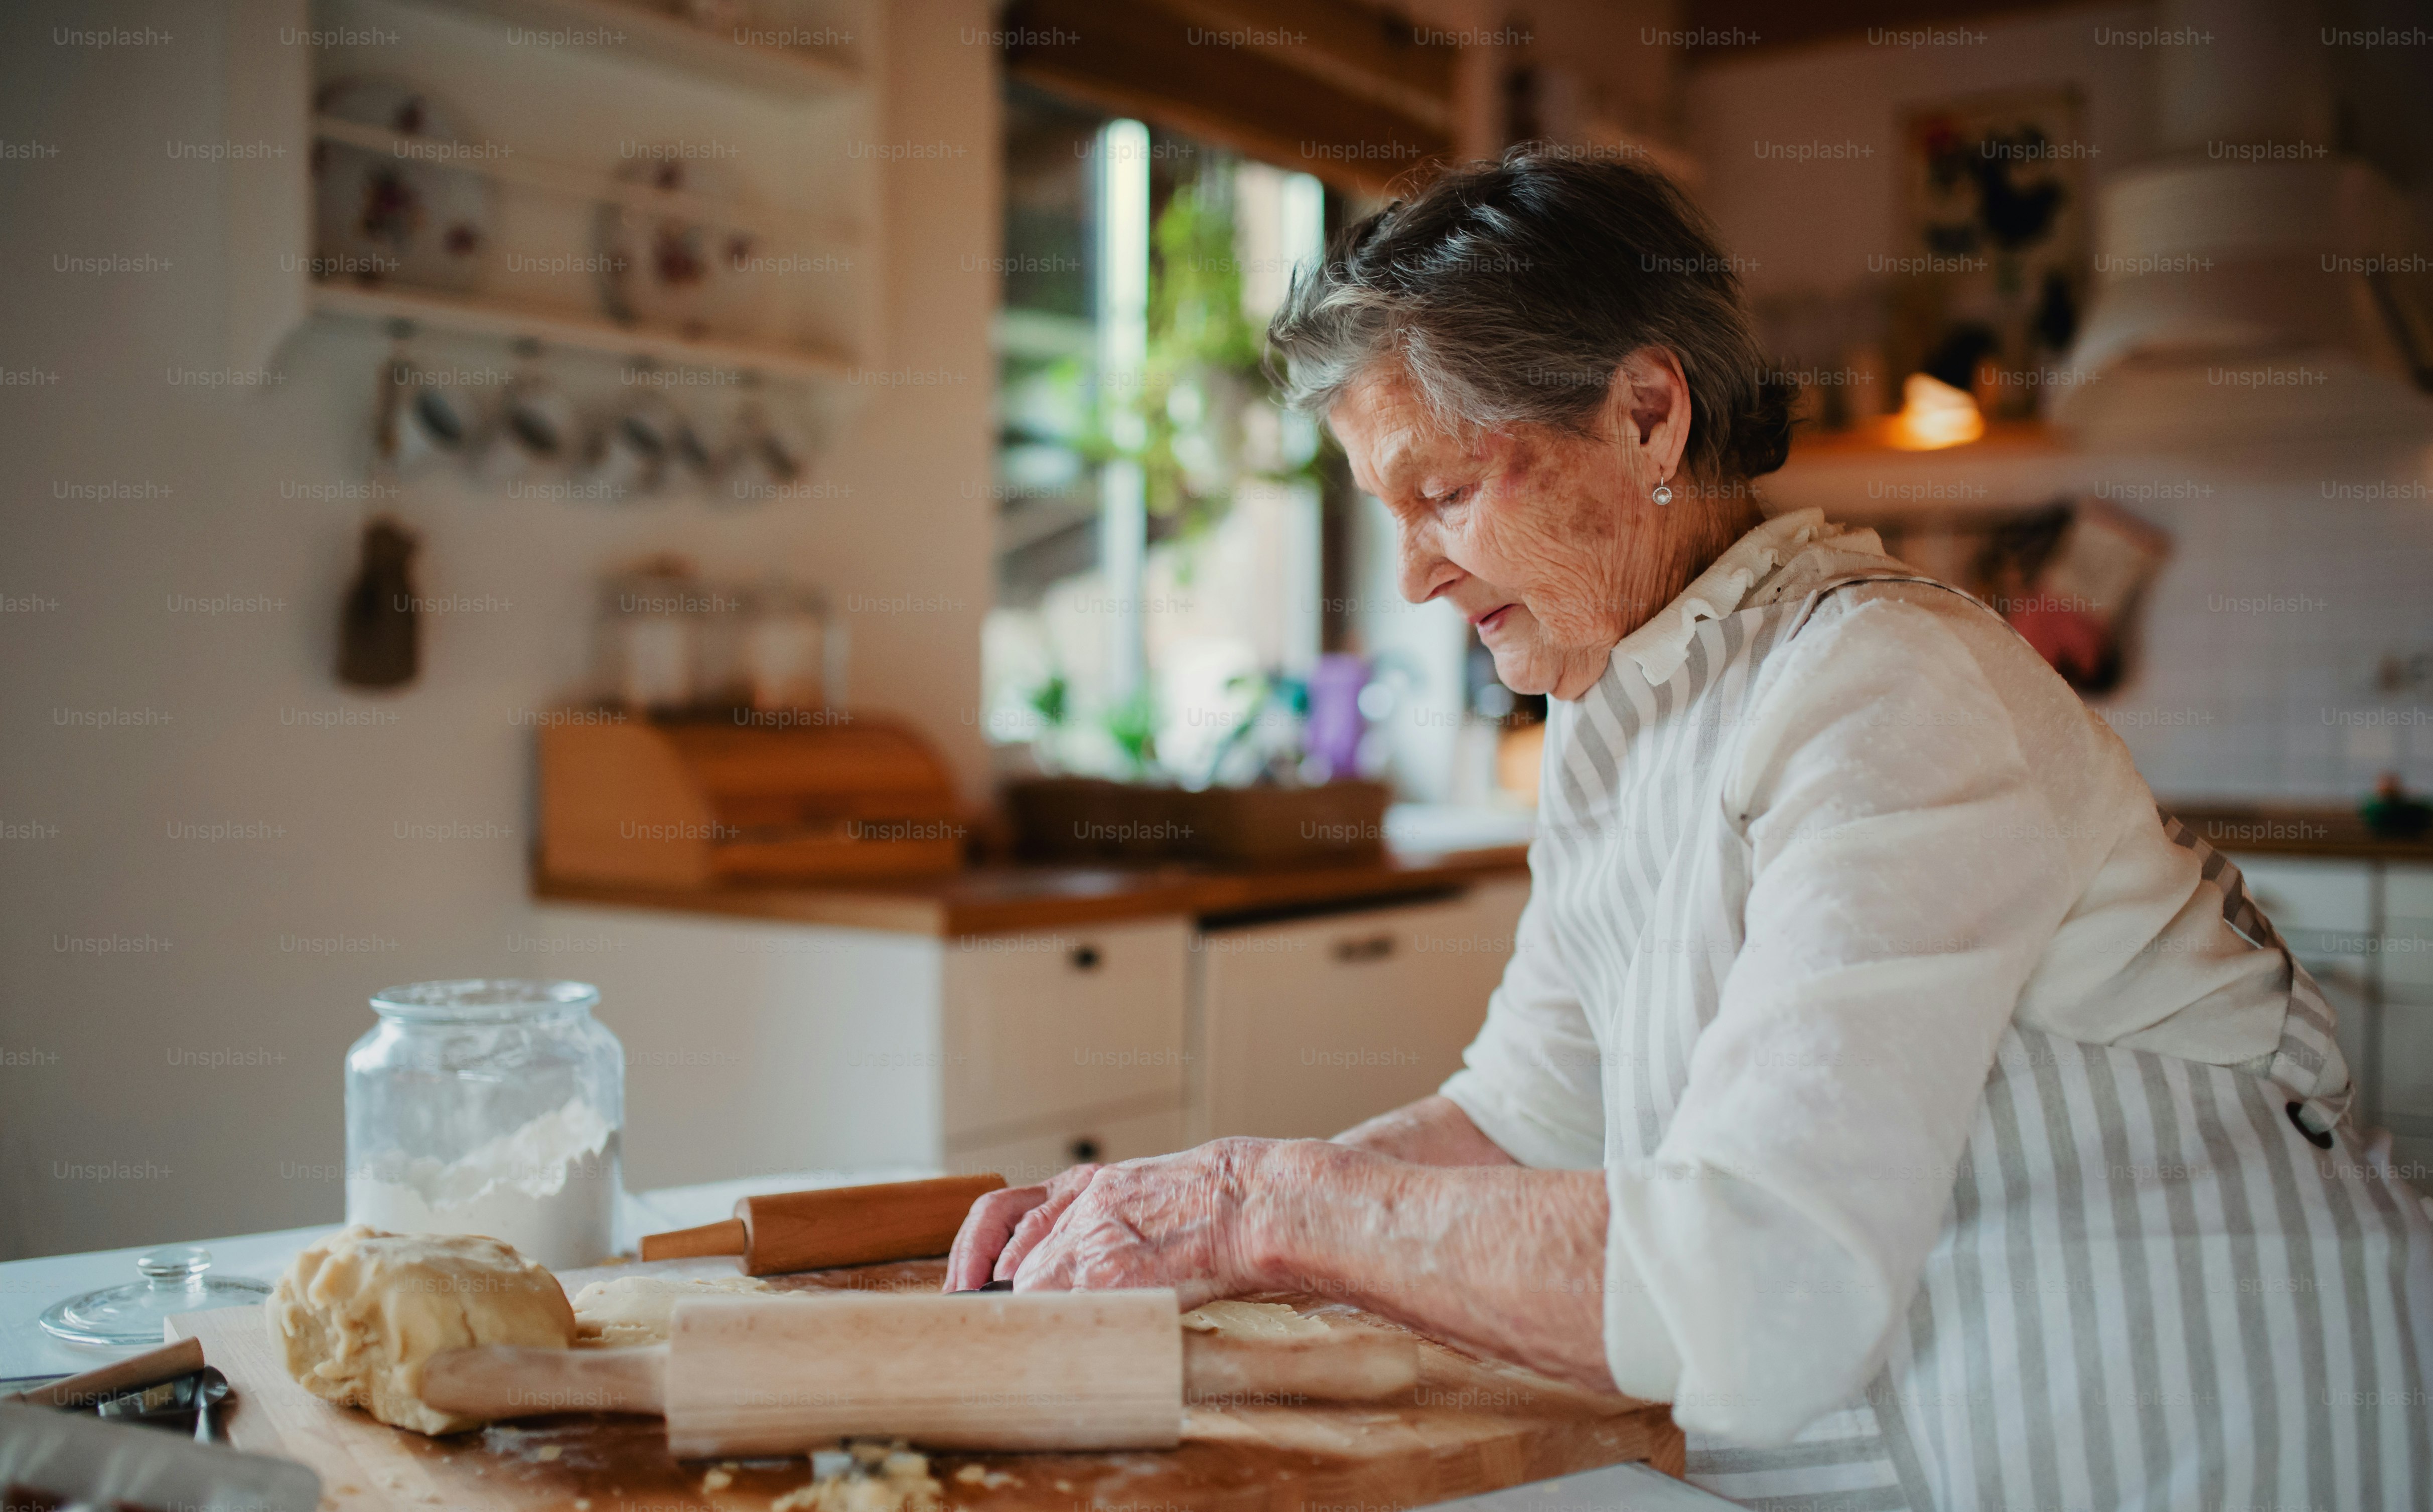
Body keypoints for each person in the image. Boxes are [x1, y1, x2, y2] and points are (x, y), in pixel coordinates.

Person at [945, 148, 2431, 1509]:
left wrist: (1261, 1210)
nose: (1412, 577)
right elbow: (1526, 1115)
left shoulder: (1887, 683)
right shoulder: (1613, 711)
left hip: (2210, 1454)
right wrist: (1187, 1210)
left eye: (1443, 491)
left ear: (1645, 413)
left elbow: (1761, 1292)